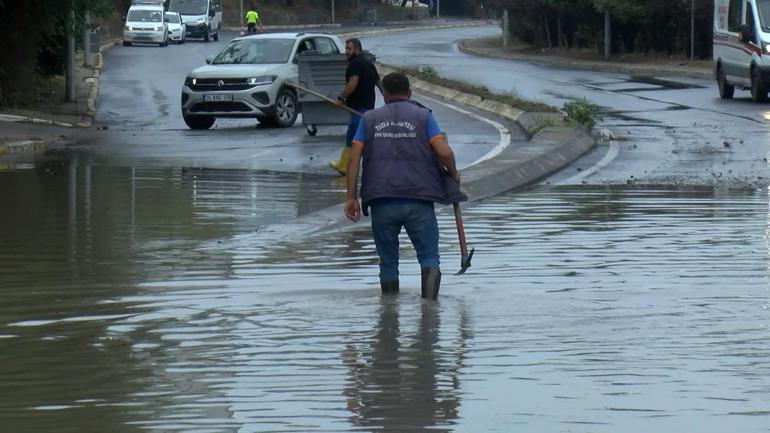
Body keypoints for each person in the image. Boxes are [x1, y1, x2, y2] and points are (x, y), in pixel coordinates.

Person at [344, 72, 466, 300]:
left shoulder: (369, 119)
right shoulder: (423, 117)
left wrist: (351, 198)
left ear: (384, 94)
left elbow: (354, 159)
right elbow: (444, 152)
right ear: (409, 93)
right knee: (429, 257)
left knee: (388, 262)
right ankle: (430, 313)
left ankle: (388, 316)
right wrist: (454, 173)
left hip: (381, 200)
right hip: (418, 200)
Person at [330, 38, 382, 176]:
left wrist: (340, 98)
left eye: (349, 49)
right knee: (357, 136)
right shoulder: (368, 64)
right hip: (367, 107)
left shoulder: (354, 64)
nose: (346, 52)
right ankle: (345, 164)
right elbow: (378, 82)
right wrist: (388, 98)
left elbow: (353, 83)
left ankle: (345, 166)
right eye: (346, 48)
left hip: (359, 107)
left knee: (354, 137)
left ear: (357, 50)